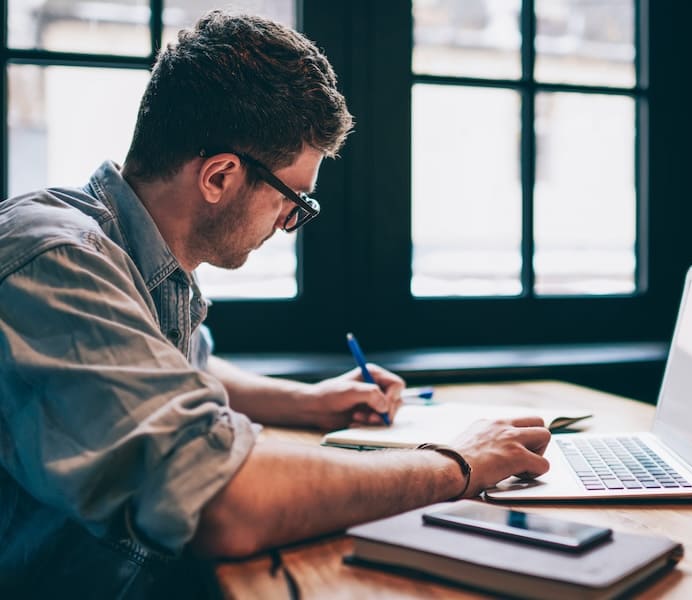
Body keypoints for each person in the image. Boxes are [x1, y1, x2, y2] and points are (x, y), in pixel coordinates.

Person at [0, 10, 551, 598]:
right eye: (295, 198)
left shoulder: (131, 254)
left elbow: (176, 368)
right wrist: (456, 462)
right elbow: (224, 501)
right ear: (218, 177)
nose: (293, 221)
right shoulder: (53, 259)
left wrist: (310, 404)